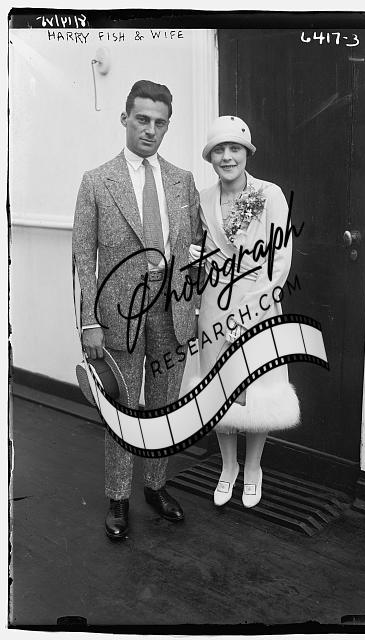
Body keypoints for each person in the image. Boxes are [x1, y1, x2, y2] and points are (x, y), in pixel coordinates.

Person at [73, 80, 202, 539]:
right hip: (118, 317)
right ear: (125, 118)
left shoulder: (182, 180)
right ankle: (118, 497)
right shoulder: (96, 181)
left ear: (168, 126)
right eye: (142, 119)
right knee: (124, 407)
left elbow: (196, 243)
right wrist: (90, 320)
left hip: (171, 313)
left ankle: (156, 486)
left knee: (165, 404)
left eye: (159, 122)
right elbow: (83, 258)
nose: (150, 129)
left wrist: (193, 301)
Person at [188, 115, 300, 509]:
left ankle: (253, 468)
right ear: (210, 157)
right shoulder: (203, 198)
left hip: (258, 305)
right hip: (214, 307)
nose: (227, 157)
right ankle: (228, 467)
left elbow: (279, 259)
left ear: (247, 153)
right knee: (219, 389)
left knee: (258, 392)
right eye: (219, 150)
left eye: (234, 148)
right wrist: (195, 258)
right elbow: (203, 254)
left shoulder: (269, 194)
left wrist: (250, 312)